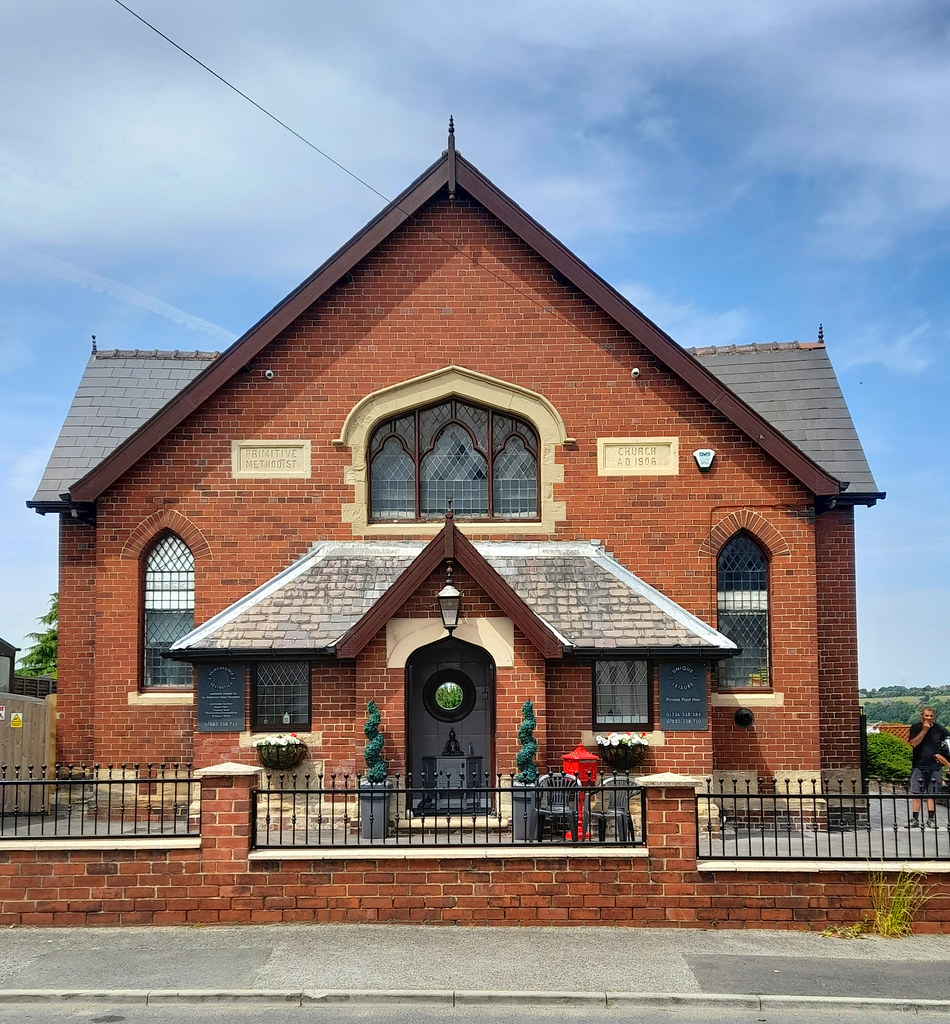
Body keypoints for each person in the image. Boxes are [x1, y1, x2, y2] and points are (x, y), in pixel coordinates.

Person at [907, 707, 950, 827]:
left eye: (931, 716)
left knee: (932, 794)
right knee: (917, 793)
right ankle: (915, 819)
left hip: (934, 766)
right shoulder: (916, 727)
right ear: (922, 716)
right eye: (927, 716)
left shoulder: (939, 729)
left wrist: (944, 755)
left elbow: (948, 740)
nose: (929, 718)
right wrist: (924, 730)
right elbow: (914, 743)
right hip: (919, 765)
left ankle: (931, 819)